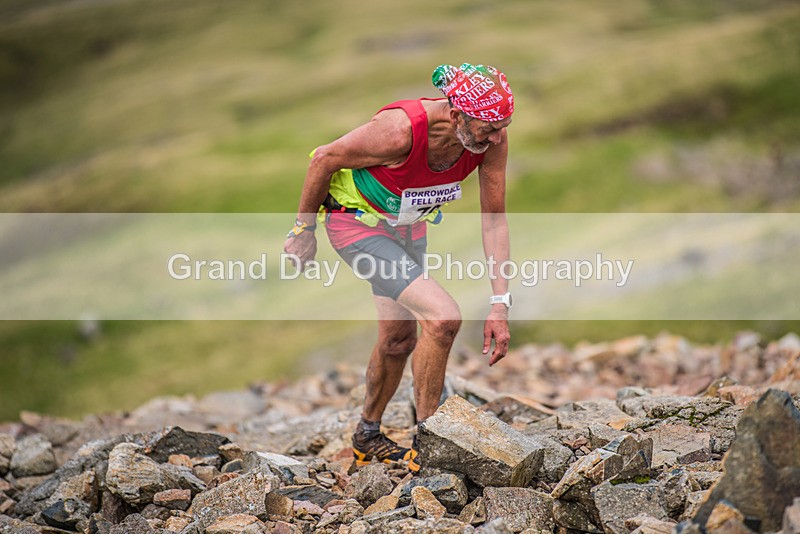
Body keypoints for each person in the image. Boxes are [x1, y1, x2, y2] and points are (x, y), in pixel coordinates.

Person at [284, 63, 514, 472]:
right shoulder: (399, 130)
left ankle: (367, 435)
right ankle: (432, 444)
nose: (497, 137)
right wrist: (304, 230)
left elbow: (494, 220)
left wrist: (500, 303)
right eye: (489, 127)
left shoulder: (490, 139)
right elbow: (323, 158)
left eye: (504, 125)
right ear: (456, 114)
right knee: (443, 318)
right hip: (356, 226)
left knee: (398, 340)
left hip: (408, 231)